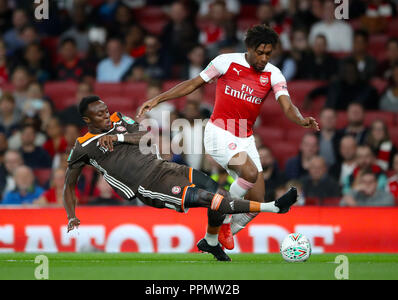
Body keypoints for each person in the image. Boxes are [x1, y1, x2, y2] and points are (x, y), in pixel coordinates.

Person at [137, 24, 319, 251]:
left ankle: (211, 239)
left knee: (257, 201)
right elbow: (193, 84)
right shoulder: (225, 62)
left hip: (245, 138)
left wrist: (301, 119)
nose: (264, 58)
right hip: (219, 132)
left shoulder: (274, 74)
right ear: (249, 48)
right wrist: (158, 99)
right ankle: (223, 219)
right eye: (260, 52)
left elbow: (288, 105)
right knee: (250, 173)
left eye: (268, 54)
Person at [64, 96, 298, 261]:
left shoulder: (119, 121)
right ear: (87, 120)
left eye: (106, 110)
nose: (106, 115)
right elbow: (69, 185)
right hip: (148, 185)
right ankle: (273, 207)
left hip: (166, 167)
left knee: (221, 195)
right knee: (210, 199)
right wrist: (72, 215)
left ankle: (211, 241)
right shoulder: (83, 147)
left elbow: (146, 137)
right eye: (100, 114)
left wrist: (119, 139)